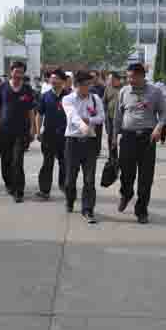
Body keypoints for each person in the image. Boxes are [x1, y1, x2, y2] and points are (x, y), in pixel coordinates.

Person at [112, 62, 166, 224]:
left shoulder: (155, 92)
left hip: (147, 139)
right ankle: (126, 194)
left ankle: (141, 210)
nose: (129, 80)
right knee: (126, 173)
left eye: (132, 77)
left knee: (146, 177)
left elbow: (164, 113)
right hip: (128, 137)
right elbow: (117, 116)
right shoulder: (124, 91)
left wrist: (158, 128)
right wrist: (114, 136)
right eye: (128, 77)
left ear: (142, 76)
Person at [0, 61, 37, 203]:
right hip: (4, 129)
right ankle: (9, 184)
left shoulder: (27, 89)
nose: (18, 74)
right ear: (11, 72)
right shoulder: (3, 87)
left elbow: (31, 110)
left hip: (21, 131)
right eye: (16, 71)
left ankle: (19, 191)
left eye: (21, 72)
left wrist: (33, 127)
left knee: (17, 160)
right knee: (6, 160)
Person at [63, 71, 105, 223]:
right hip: (72, 142)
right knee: (70, 179)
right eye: (85, 85)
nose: (88, 88)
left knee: (89, 179)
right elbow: (72, 116)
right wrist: (82, 126)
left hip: (90, 143)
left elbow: (101, 117)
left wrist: (89, 120)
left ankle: (88, 209)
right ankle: (70, 199)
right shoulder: (68, 99)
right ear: (77, 85)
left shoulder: (95, 98)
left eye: (89, 84)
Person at [35, 69, 69, 200]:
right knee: (47, 163)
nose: (53, 81)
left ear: (63, 81)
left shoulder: (69, 96)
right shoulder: (45, 96)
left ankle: (64, 186)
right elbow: (39, 114)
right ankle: (44, 190)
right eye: (52, 78)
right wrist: (38, 131)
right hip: (48, 135)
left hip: (65, 135)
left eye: (56, 78)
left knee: (64, 163)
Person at [89, 71, 106, 157]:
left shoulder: (102, 88)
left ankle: (97, 150)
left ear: (98, 77)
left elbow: (104, 99)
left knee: (98, 132)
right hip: (89, 113)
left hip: (98, 112)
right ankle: (91, 149)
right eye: (91, 77)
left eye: (93, 76)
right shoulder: (89, 87)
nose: (92, 78)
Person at [103, 73, 122, 153]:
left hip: (121, 118)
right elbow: (104, 101)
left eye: (112, 79)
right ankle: (112, 156)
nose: (110, 81)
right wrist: (105, 113)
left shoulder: (123, 89)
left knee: (121, 136)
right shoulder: (108, 88)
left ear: (117, 79)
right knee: (110, 136)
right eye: (109, 79)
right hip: (110, 117)